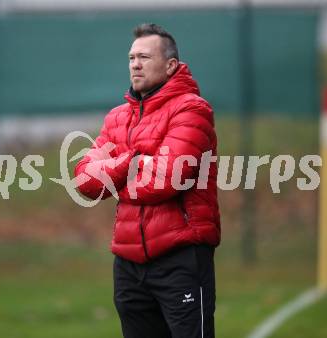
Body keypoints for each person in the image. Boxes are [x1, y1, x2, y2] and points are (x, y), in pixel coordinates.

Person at [74, 23, 220, 338]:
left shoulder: (192, 109)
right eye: (131, 58)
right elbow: (85, 181)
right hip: (128, 265)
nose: (135, 64)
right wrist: (133, 160)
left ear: (170, 66)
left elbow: (168, 178)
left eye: (144, 57)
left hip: (180, 259)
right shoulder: (117, 118)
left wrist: (114, 172)